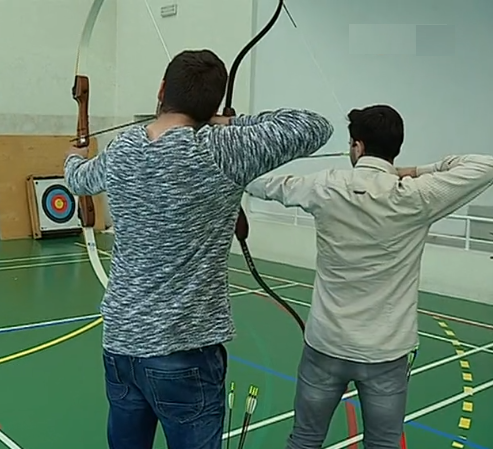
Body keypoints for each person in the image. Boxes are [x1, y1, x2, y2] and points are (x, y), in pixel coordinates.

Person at [63, 49, 333, 449]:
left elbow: (79, 179)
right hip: (185, 352)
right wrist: (230, 122)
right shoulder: (223, 148)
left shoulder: (122, 149)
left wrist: (73, 156)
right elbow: (315, 126)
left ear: (161, 89)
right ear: (211, 106)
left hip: (121, 346)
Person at [244, 104, 493, 449]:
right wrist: (415, 171)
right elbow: (486, 165)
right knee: (382, 444)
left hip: (325, 346)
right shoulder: (417, 195)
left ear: (357, 147)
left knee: (304, 440)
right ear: (396, 147)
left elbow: (260, 182)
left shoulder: (326, 185)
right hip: (385, 353)